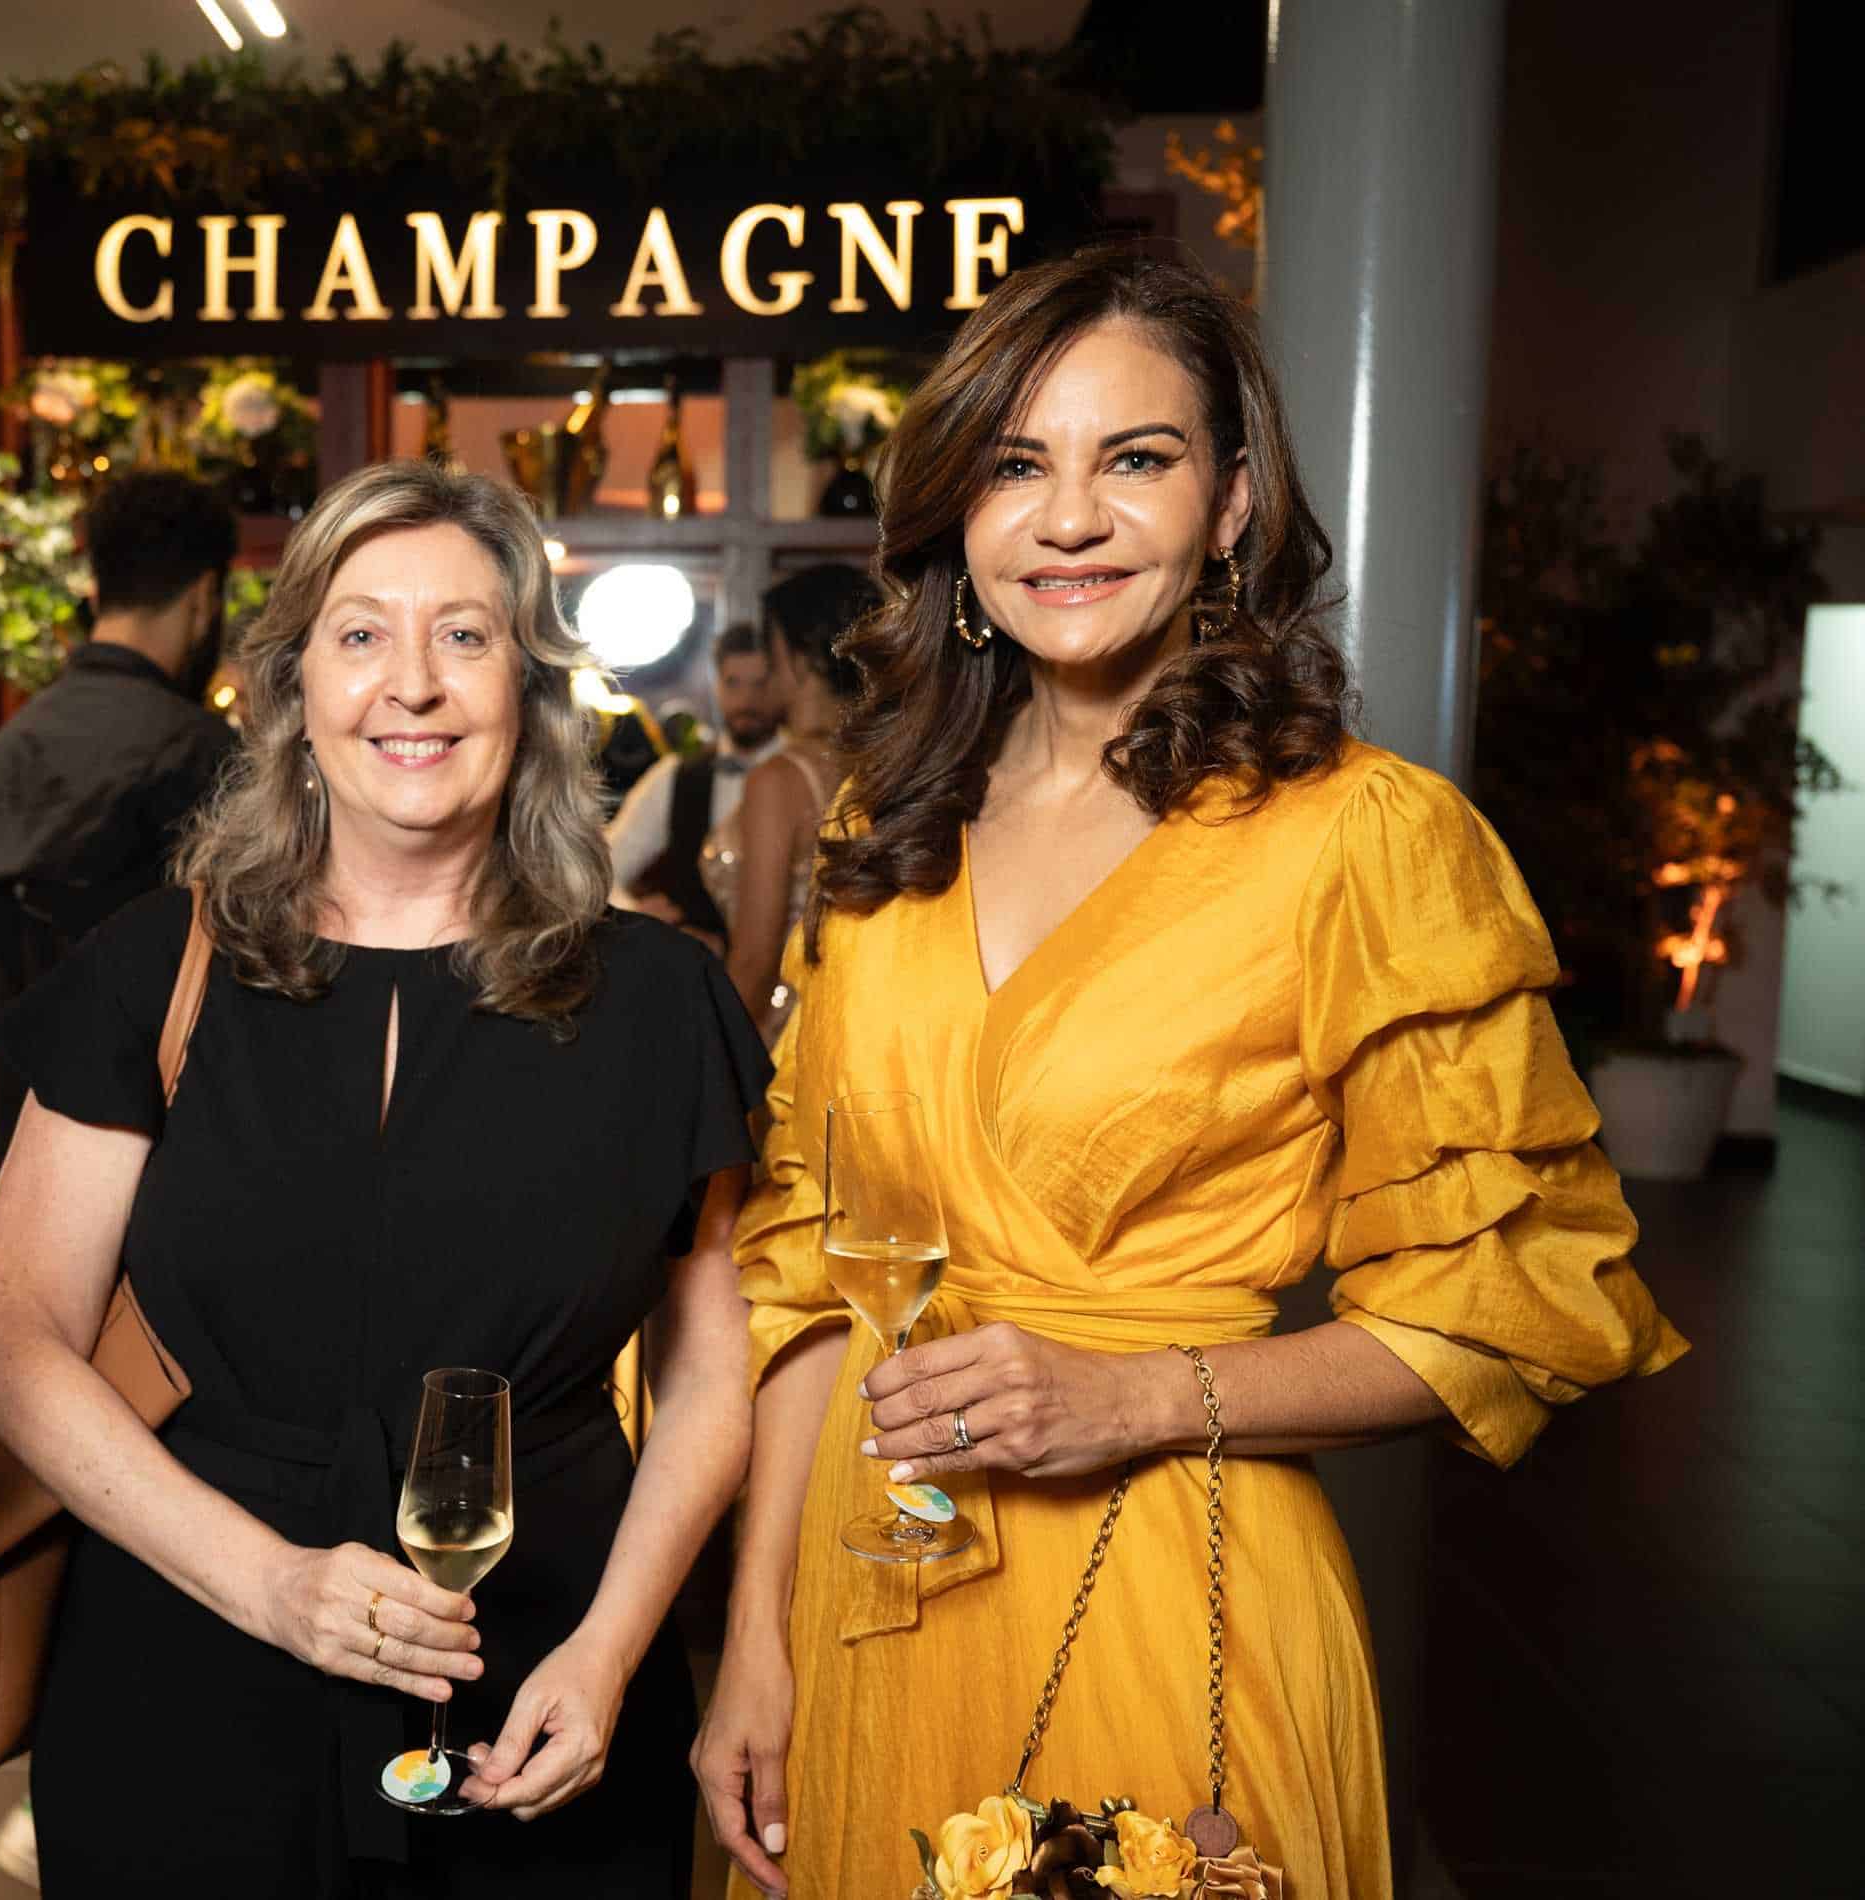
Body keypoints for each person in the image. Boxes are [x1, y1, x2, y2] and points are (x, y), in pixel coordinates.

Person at [688, 249, 1689, 1900]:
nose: (1066, 519)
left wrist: (1132, 1394)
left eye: (1131, 460)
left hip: (1158, 1584)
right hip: (861, 1597)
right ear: (953, 515)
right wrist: (752, 1645)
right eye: (1015, 465)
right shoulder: (886, 834)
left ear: (1229, 502)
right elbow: (802, 1274)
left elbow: (1503, 1305)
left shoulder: (1358, 840)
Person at [0, 460, 771, 1897]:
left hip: (543, 1672)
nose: (413, 684)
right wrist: (267, 1582)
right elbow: (11, 1349)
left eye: (464, 637)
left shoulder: (655, 999)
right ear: (288, 690)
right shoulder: (153, 966)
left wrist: (613, 1650)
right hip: (189, 1654)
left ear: (527, 689)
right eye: (359, 635)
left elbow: (709, 1374)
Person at [0, 469, 239, 1159]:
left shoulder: (7, 749)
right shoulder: (203, 753)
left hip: (22, 1144)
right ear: (204, 599)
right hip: (167, 1156)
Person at [706, 565, 879, 1038]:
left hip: (784, 1034)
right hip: (858, 1022)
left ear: (799, 660)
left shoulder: (780, 780)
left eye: (771, 647)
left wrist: (713, 1062)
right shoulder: (887, 758)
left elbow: (756, 959)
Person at [604, 621, 784, 945]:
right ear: (716, 685)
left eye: (760, 684)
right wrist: (635, 916)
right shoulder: (678, 774)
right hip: (699, 978)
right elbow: (600, 869)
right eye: (734, 683)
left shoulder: (808, 772)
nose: (747, 700)